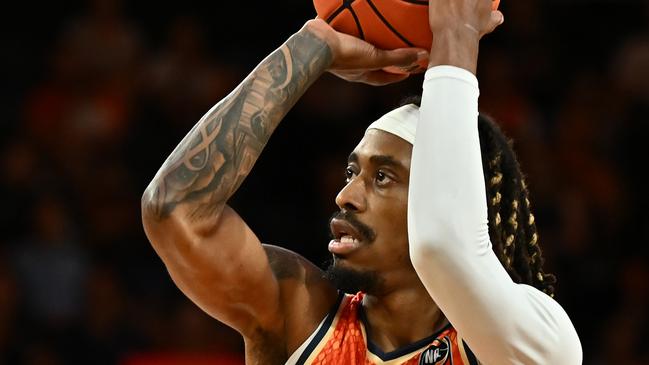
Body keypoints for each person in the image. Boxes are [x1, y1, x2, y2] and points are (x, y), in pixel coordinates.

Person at [141, 0, 582, 363]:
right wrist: (315, 45)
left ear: (450, 196)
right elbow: (173, 208)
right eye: (353, 172)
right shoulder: (299, 316)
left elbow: (445, 247)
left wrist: (457, 35)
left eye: (383, 177)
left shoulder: (538, 342)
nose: (345, 196)